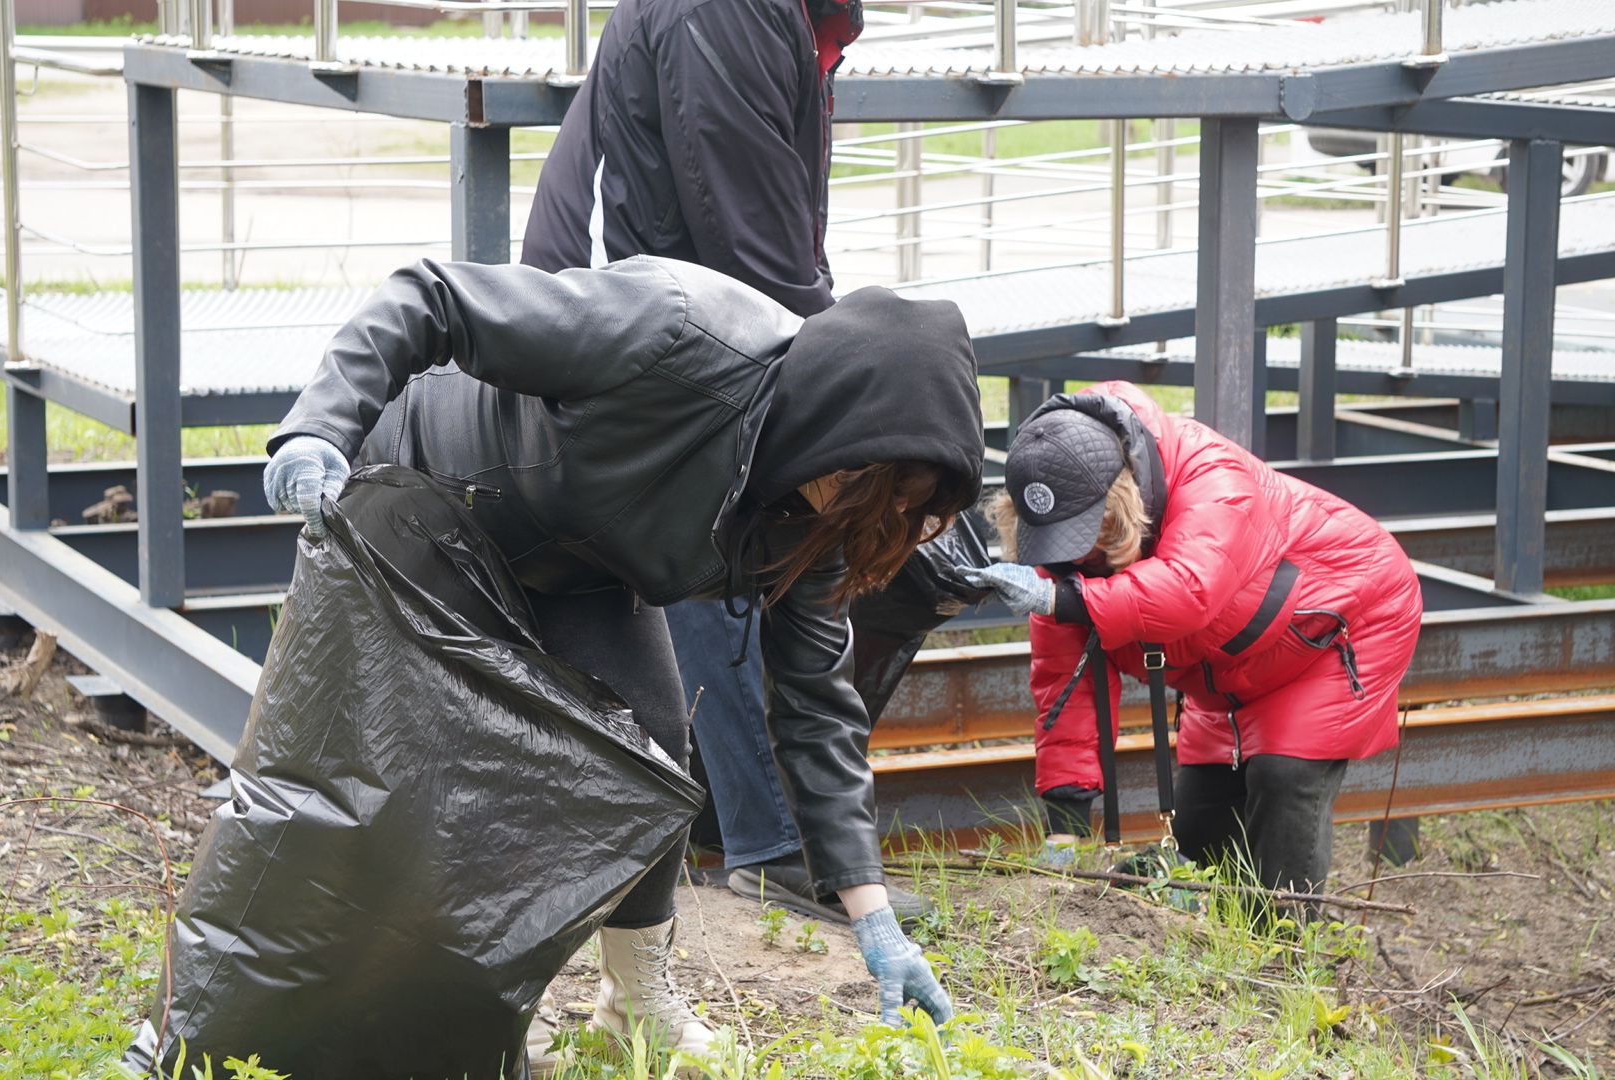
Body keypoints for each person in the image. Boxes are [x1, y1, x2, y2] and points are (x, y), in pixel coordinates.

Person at [262, 255, 978, 1061]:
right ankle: (453, 1012)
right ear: (837, 427)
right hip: (434, 497)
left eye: (906, 507)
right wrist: (319, 428)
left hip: (578, 560)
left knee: (653, 746)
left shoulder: (815, 522)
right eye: (870, 486)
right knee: (451, 773)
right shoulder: (673, 329)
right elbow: (432, 298)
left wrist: (871, 915)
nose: (871, 511)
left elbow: (818, 707)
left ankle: (635, 999)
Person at [519, 0, 930, 930]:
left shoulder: (780, 15)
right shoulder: (729, 7)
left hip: (675, 313)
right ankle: (764, 847)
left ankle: (767, 840)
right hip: (647, 325)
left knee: (742, 560)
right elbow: (748, 228)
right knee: (710, 562)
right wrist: (834, 387)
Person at [965, 381, 1422, 898]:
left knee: (1283, 777)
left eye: (1080, 538)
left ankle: (1288, 956)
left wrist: (1067, 601)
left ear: (1119, 503)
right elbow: (1067, 689)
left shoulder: (1211, 476)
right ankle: (1221, 956)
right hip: (1229, 662)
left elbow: (1189, 590)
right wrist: (1065, 827)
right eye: (1054, 542)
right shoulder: (1060, 568)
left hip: (1337, 621)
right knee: (1203, 833)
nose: (1067, 561)